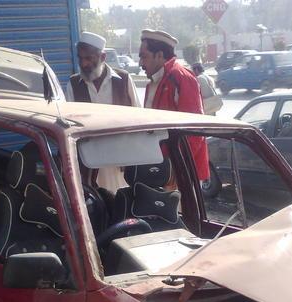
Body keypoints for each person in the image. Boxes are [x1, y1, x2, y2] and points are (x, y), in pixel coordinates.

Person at [66, 31, 140, 192]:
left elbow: (139, 120)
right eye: (81, 58)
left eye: (89, 58)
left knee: (122, 205)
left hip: (121, 163)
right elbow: (70, 127)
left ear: (103, 57)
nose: (84, 64)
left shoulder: (124, 80)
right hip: (89, 164)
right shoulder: (73, 84)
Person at [139, 29, 209, 183]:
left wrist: (174, 171)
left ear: (159, 55)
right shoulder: (152, 84)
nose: (140, 63)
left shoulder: (181, 78)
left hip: (182, 173)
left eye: (144, 57)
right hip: (160, 169)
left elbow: (195, 131)